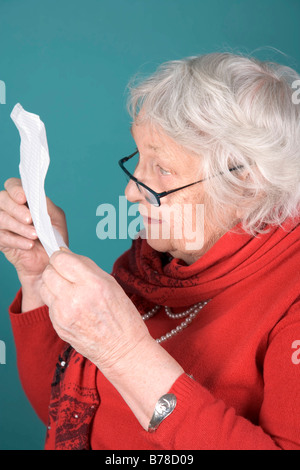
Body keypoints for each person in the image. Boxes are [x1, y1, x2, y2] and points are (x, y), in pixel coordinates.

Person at [1, 52, 300, 450]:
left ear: (245, 182)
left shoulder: (290, 300)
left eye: (162, 169)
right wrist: (38, 277)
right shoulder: (149, 268)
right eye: (139, 158)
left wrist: (126, 354)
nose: (129, 192)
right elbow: (66, 416)